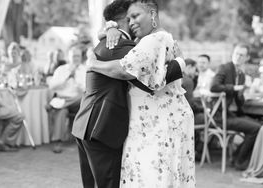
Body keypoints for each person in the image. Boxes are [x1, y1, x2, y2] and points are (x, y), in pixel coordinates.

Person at [79, 0, 195, 187]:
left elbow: (131, 72)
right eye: (129, 18)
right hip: (117, 124)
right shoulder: (131, 43)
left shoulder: (149, 41)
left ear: (152, 15)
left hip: (152, 120)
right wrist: (181, 62)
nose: (132, 22)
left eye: (135, 16)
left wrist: (93, 63)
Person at [210, 43, 261, 170]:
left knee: (261, 125)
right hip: (221, 116)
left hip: (233, 114)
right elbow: (214, 86)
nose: (238, 57)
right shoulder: (225, 68)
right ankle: (239, 160)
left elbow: (239, 102)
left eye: (241, 55)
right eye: (236, 53)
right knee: (256, 128)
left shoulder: (242, 75)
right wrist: (234, 88)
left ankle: (238, 158)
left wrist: (241, 94)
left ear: (247, 58)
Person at [48, 45, 86, 153]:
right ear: (69, 56)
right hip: (63, 98)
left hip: (78, 101)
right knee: (61, 111)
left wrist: (77, 82)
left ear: (81, 57)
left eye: (78, 56)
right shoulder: (61, 69)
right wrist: (67, 78)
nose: (76, 58)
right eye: (73, 56)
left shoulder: (85, 70)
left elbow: (87, 89)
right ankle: (58, 142)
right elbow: (52, 87)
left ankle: (58, 104)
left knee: (82, 98)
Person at [0, 49, 24, 152]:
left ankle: (2, 141)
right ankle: (2, 142)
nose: (1, 61)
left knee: (12, 111)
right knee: (19, 116)